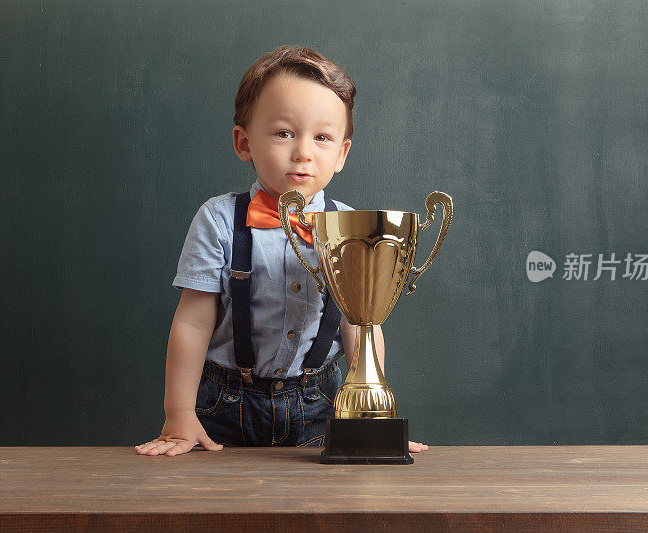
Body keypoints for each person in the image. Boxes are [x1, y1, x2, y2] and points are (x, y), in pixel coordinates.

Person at [135, 46, 428, 456]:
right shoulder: (219, 219)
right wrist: (179, 414)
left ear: (342, 154)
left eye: (322, 137)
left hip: (318, 409)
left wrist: (371, 422)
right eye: (284, 132)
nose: (303, 152)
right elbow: (193, 322)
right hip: (224, 406)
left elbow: (361, 322)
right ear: (244, 142)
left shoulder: (350, 227)